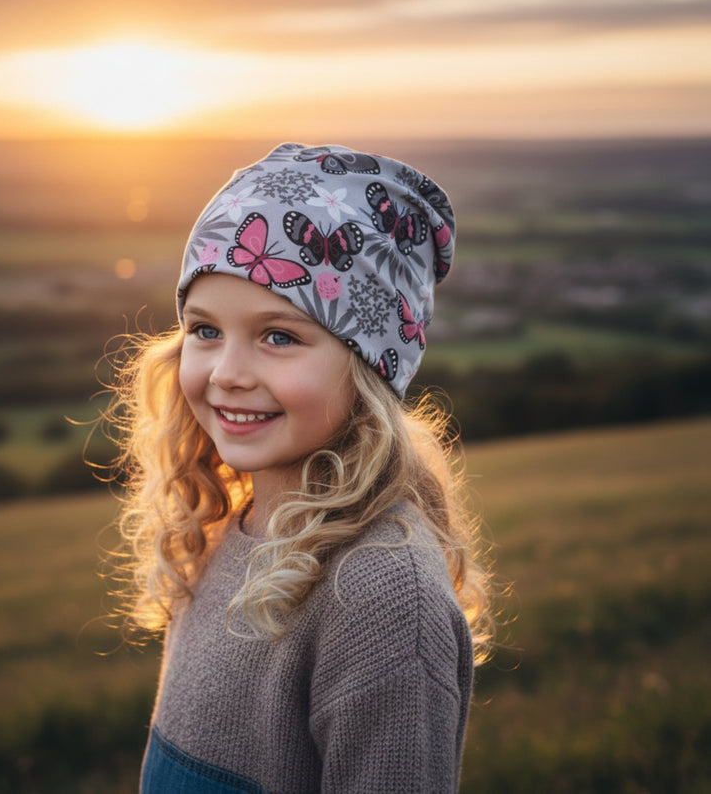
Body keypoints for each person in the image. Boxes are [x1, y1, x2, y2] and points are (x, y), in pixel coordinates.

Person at [105, 143, 492, 792]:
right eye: (205, 330)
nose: (227, 373)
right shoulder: (229, 521)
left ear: (368, 366)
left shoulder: (381, 595)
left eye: (278, 336)